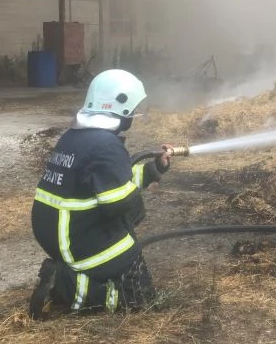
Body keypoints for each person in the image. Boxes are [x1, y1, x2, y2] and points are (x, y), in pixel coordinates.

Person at [29, 69, 173, 320]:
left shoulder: (76, 137)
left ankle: (69, 275)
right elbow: (117, 203)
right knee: (138, 294)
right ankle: (65, 285)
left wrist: (154, 169)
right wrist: (136, 198)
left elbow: (107, 181)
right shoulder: (106, 145)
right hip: (75, 237)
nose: (134, 115)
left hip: (55, 231)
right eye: (133, 109)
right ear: (121, 106)